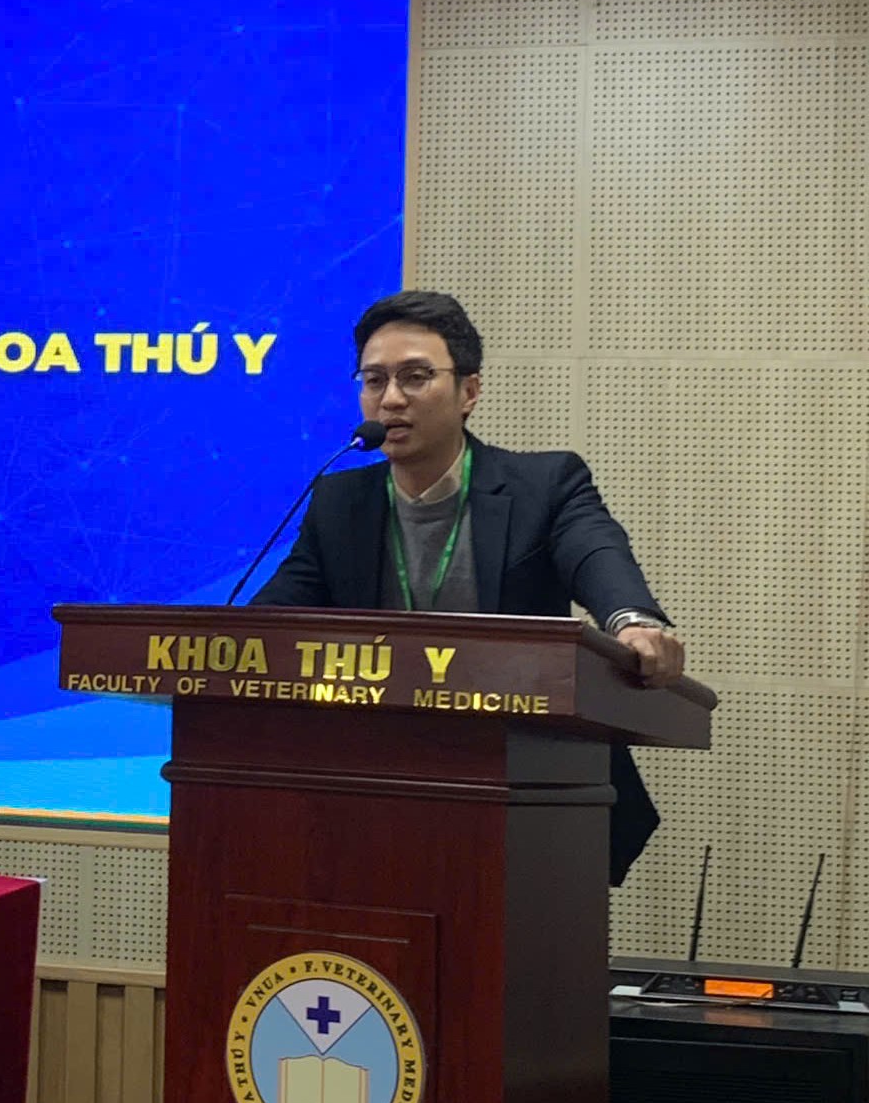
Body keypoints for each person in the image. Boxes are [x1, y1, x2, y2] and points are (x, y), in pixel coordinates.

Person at [249, 290, 685, 885]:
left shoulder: (543, 485)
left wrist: (633, 621)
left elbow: (596, 553)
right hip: (372, 797)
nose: (391, 398)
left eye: (415, 377)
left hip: (530, 793)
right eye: (374, 380)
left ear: (469, 392)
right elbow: (274, 618)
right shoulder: (339, 502)